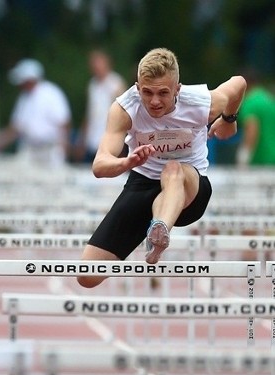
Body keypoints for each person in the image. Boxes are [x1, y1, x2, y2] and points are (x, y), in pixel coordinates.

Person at [76, 47, 246, 288]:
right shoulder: (125, 109)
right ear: (137, 87)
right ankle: (156, 228)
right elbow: (100, 165)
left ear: (177, 89)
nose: (154, 101)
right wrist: (127, 162)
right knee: (87, 275)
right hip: (144, 182)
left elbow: (238, 84)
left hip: (190, 188)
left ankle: (160, 230)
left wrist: (229, 119)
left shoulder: (201, 104)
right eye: (147, 92)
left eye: (163, 93)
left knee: (173, 170)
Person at [0, 58, 71, 168]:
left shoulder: (51, 93)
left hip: (50, 148)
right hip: (29, 148)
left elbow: (64, 123)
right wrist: (0, 140)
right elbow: (17, 127)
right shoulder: (23, 98)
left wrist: (64, 148)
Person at [75, 49, 126, 164]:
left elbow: (124, 115)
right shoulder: (92, 85)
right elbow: (89, 114)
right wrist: (81, 140)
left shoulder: (116, 84)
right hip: (92, 141)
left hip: (109, 142)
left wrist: (122, 143)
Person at [235, 68, 275, 168]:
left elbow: (252, 128)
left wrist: (244, 155)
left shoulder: (250, 102)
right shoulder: (269, 99)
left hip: (261, 160)